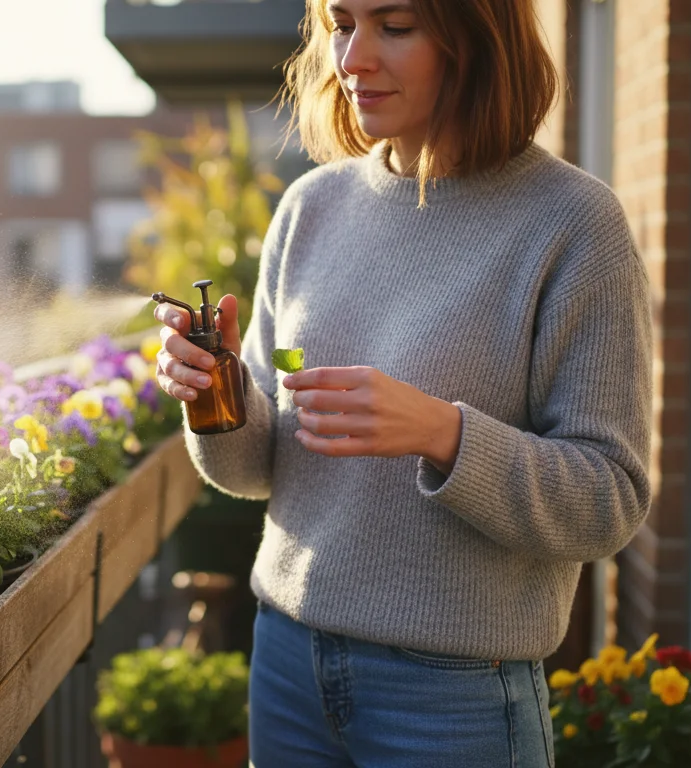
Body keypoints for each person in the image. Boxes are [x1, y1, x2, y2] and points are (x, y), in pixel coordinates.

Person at [152, 0, 653, 765]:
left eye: (394, 25)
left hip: (454, 697)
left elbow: (609, 501)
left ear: (476, 39)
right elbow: (253, 472)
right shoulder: (308, 209)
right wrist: (213, 397)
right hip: (287, 663)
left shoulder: (574, 223)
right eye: (342, 23)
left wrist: (443, 435)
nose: (351, 59)